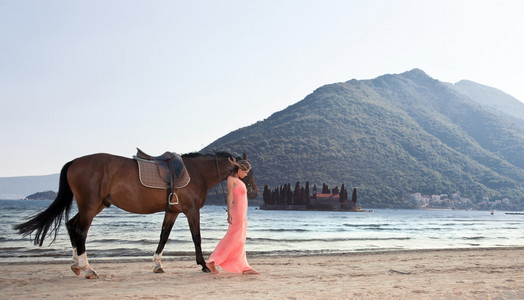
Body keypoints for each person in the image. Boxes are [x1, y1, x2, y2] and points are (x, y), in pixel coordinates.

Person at [206, 159, 259, 275]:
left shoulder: (238, 180)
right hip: (237, 214)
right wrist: (229, 212)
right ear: (240, 169)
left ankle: (244, 267)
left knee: (239, 240)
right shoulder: (231, 180)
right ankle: (212, 261)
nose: (246, 175)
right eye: (245, 172)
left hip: (242, 214)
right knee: (232, 238)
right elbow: (230, 197)